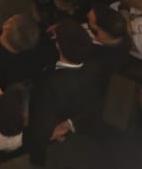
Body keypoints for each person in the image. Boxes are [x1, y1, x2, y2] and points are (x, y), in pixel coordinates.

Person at [23, 19, 102, 166]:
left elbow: (40, 122)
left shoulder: (50, 85)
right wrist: (71, 122)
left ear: (58, 45)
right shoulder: (94, 67)